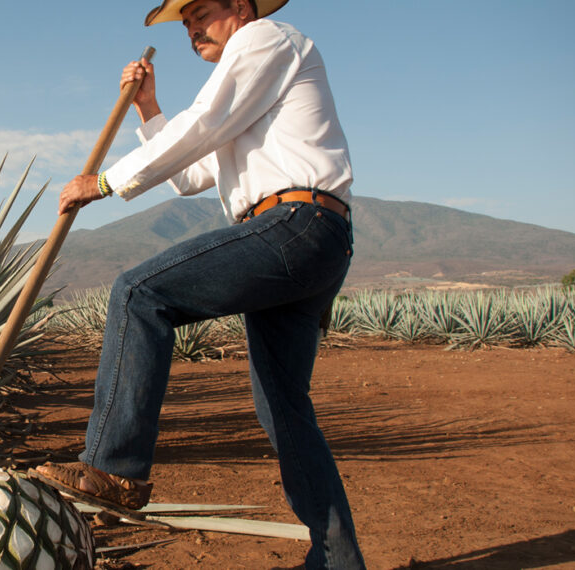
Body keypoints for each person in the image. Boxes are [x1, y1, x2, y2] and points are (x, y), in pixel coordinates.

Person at [33, 0, 366, 567]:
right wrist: (148, 107)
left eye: (201, 13)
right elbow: (191, 173)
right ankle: (337, 560)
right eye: (185, 23)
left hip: (295, 226)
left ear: (240, 7)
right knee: (284, 409)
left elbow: (204, 123)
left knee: (140, 293)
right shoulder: (250, 90)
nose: (192, 29)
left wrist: (105, 182)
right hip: (306, 236)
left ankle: (116, 468)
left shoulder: (265, 40)